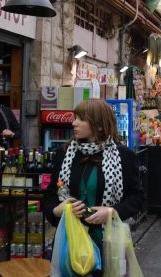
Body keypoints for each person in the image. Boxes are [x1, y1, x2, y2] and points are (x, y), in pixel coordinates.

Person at [42, 99, 145, 275]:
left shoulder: (123, 156)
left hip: (107, 243)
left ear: (98, 125)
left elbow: (137, 198)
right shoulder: (65, 154)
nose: (74, 123)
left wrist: (112, 212)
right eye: (75, 118)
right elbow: (50, 196)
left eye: (80, 119)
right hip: (71, 243)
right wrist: (57, 210)